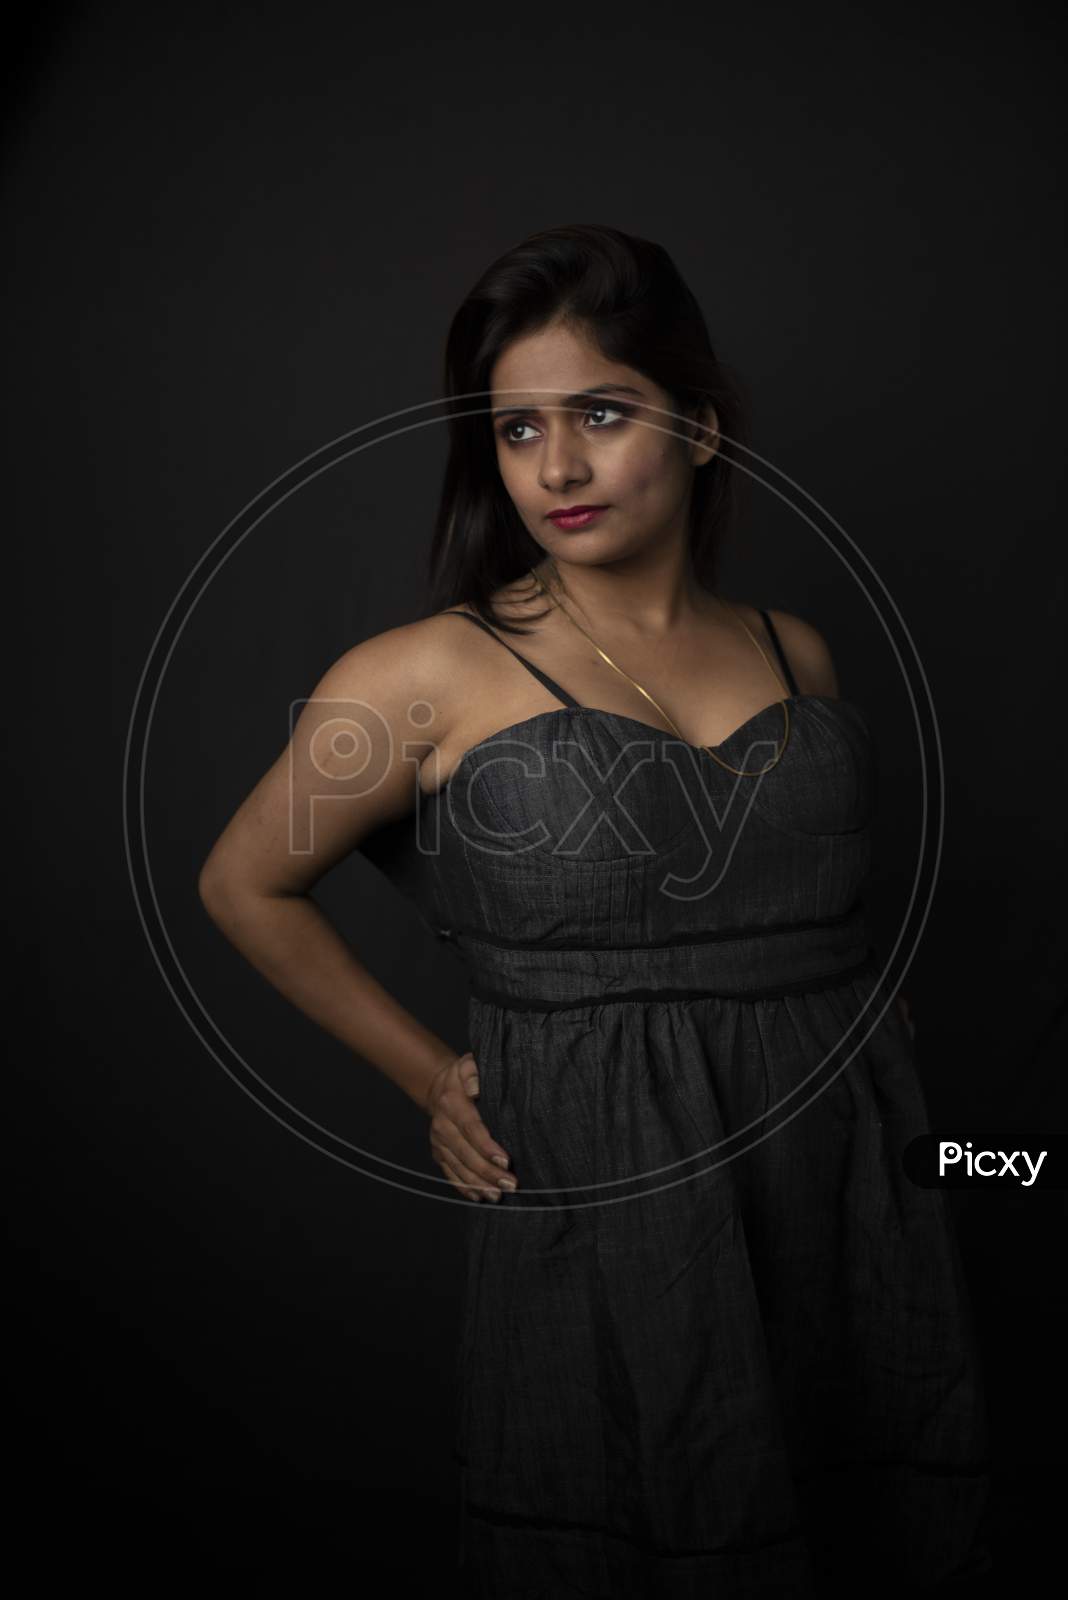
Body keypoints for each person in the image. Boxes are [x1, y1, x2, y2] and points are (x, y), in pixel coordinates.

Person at [198, 224, 992, 1597]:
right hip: (611, 1183)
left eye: (602, 415)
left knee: (867, 1518)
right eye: (516, 431)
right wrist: (429, 1078)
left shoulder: (796, 650)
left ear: (698, 425)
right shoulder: (422, 677)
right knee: (641, 1522)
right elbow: (242, 883)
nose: (555, 468)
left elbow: (807, 910)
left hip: (848, 1174)